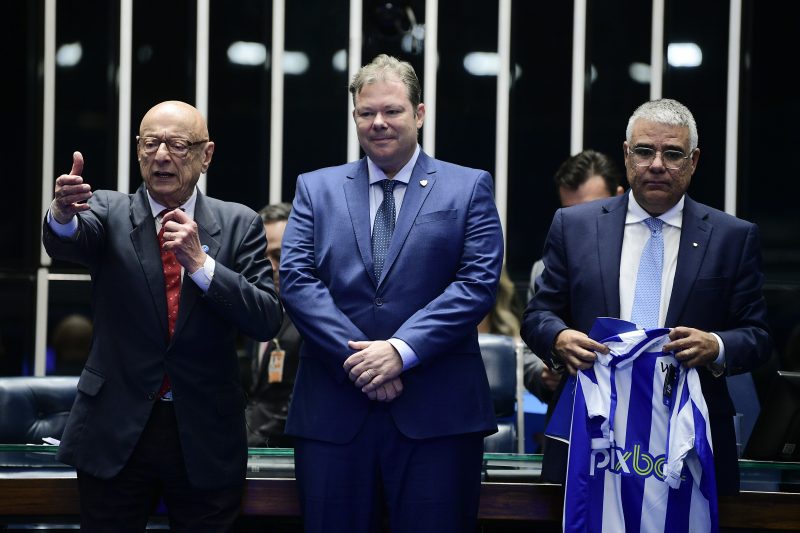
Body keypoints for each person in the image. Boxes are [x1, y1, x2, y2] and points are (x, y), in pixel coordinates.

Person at [280, 54, 504, 532]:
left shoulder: (468, 188)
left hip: (438, 417)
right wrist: (364, 360)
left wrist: (401, 351)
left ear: (419, 113)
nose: (379, 123)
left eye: (393, 111)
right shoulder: (314, 189)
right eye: (367, 113)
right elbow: (296, 279)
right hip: (334, 414)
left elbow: (477, 282)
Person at [42, 100, 283, 531]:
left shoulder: (239, 223)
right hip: (115, 428)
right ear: (138, 150)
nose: (162, 156)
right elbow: (69, 240)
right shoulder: (107, 211)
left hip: (205, 433)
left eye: (177, 145)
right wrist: (61, 215)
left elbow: (266, 318)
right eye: (151, 143)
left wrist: (200, 265)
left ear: (205, 155)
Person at [521, 98, 772, 496]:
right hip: (590, 430)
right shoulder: (575, 226)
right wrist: (557, 338)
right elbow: (539, 314)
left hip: (688, 440)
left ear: (694, 161)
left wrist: (717, 344)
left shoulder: (732, 237)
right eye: (644, 151)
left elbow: (758, 336)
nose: (657, 164)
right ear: (626, 154)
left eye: (673, 153)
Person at [524, 150, 624, 403]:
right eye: (571, 212)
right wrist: (545, 370)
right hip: (571, 411)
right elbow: (528, 354)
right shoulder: (543, 270)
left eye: (593, 208)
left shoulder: (642, 260)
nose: (583, 221)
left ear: (619, 197)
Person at [243, 202, 301, 448]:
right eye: (262, 257)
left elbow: (302, 400)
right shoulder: (250, 312)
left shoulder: (316, 317)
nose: (270, 267)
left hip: (293, 455)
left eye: (278, 255)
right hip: (250, 456)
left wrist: (250, 439)